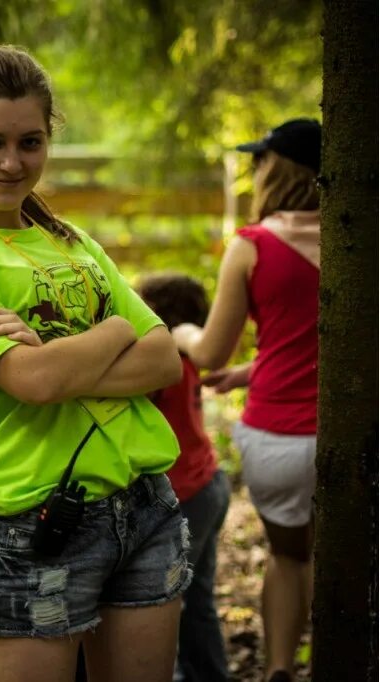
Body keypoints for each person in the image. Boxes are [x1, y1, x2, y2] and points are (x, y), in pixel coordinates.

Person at [0, 45, 189, 682]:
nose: (12, 162)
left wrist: (58, 359)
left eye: (30, 142)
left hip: (143, 508)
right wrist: (114, 328)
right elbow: (30, 381)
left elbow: (166, 359)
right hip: (32, 523)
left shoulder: (70, 240)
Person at [172, 119, 322, 682]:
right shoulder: (362, 238)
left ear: (277, 168)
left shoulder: (253, 245)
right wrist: (252, 371)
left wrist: (182, 332)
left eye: (260, 161)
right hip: (355, 432)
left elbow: (207, 351)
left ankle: (281, 667)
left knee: (289, 556)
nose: (255, 170)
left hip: (278, 438)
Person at [138, 274, 231, 682]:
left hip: (186, 493)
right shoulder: (184, 350)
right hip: (207, 482)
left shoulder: (164, 352)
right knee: (196, 597)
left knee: (163, 603)